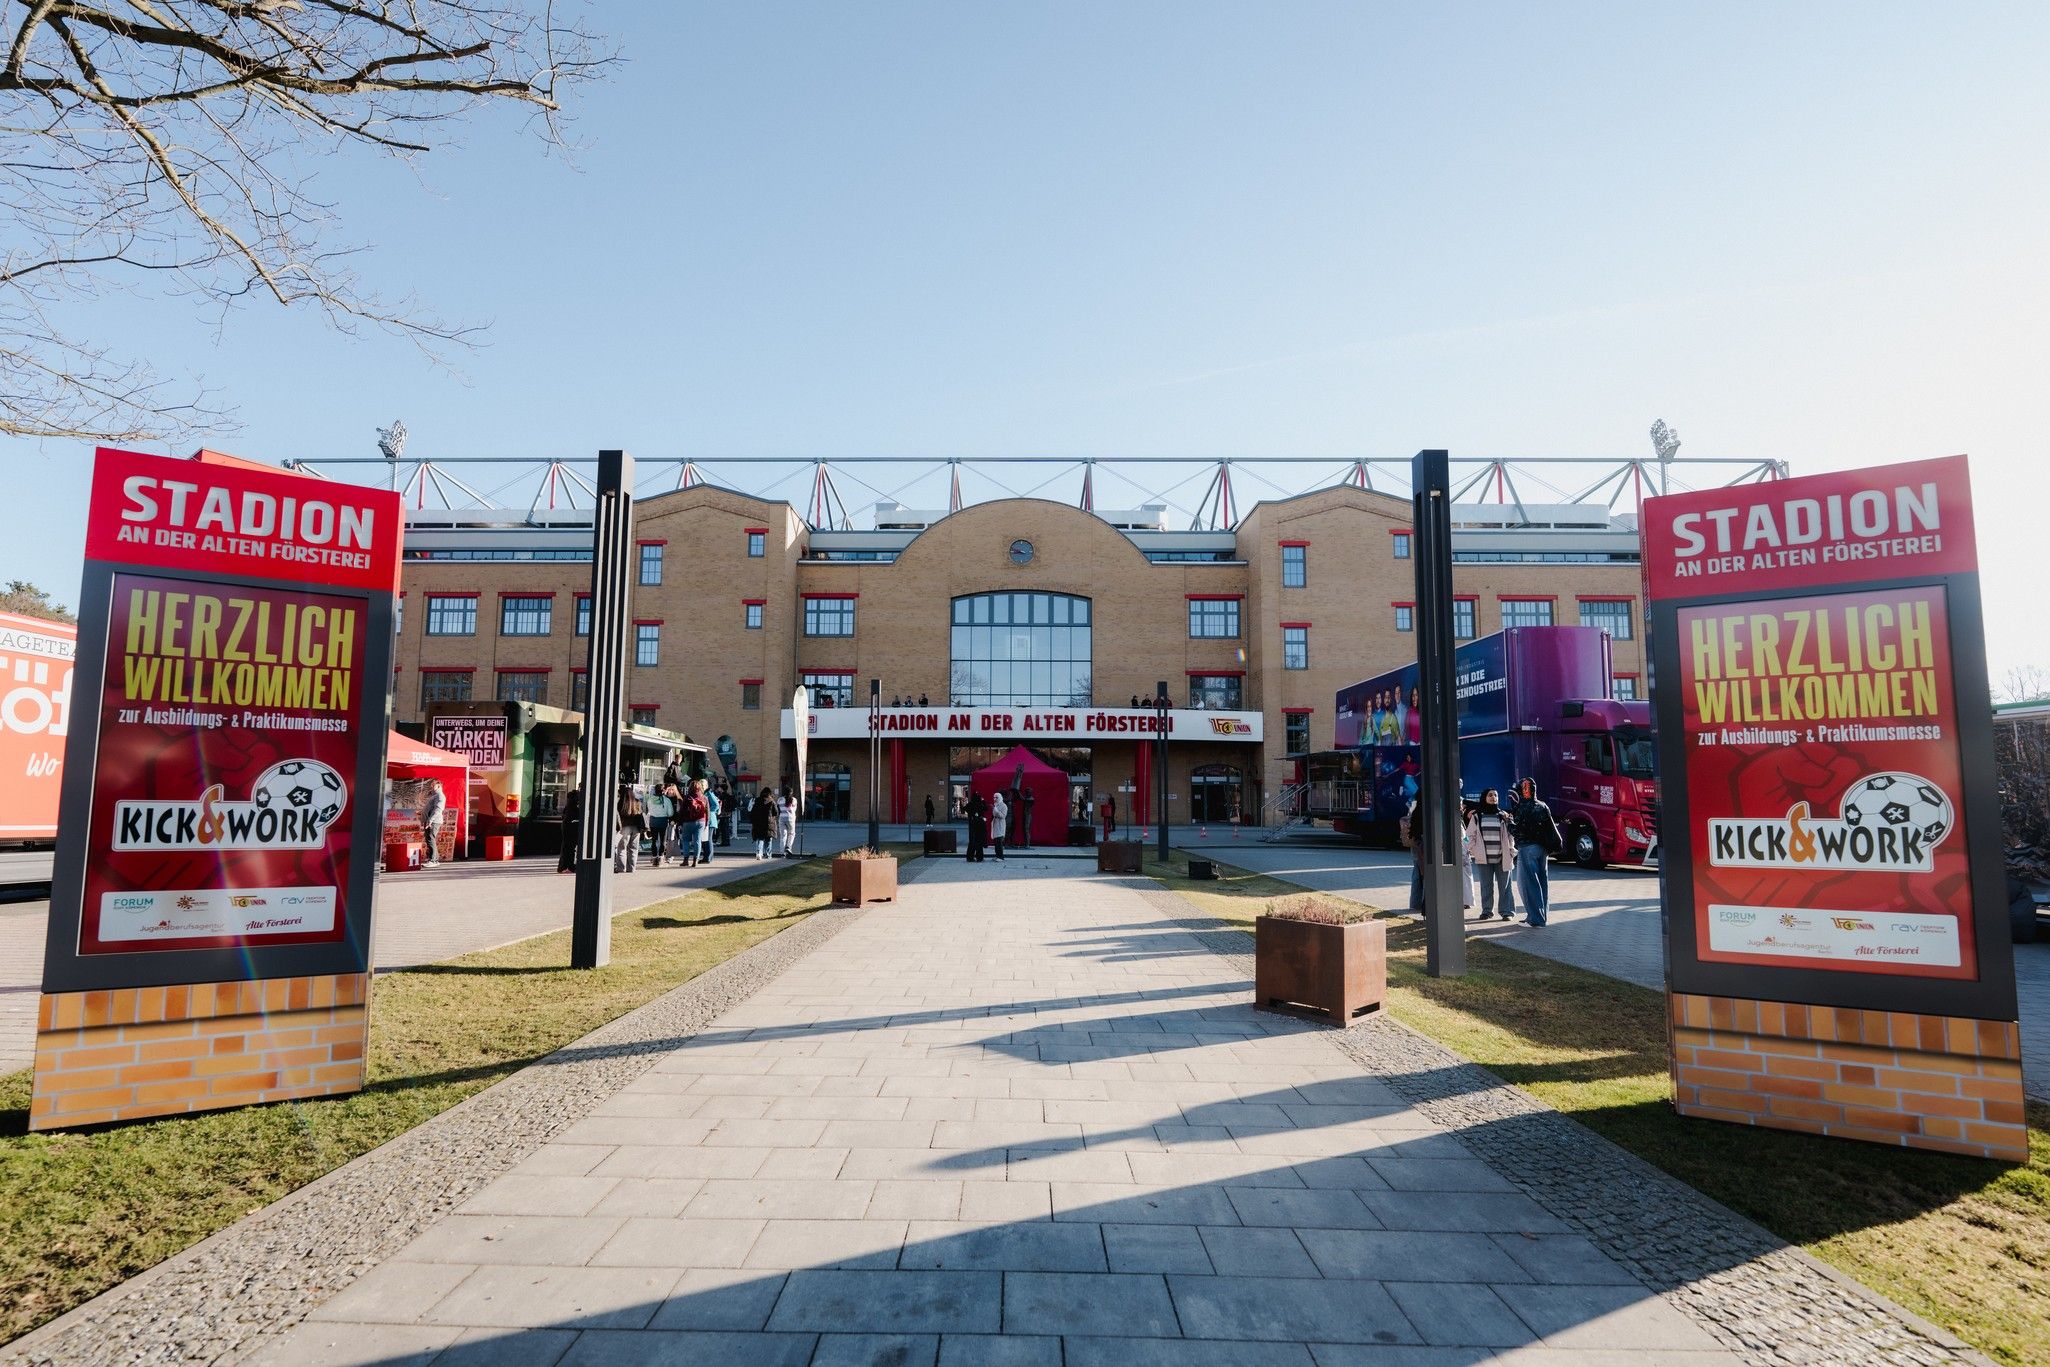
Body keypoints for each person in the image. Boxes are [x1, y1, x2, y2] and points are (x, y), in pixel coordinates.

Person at [1510, 778, 1562, 927]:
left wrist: (1508, 822)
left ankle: (1535, 919)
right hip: (1543, 849)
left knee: (1528, 884)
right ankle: (1542, 916)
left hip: (1527, 848)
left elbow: (1517, 831)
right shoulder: (1542, 805)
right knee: (1542, 882)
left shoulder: (1521, 807)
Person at [1465, 788, 1516, 921]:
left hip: (1502, 857)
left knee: (1505, 886)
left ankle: (1507, 912)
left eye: (1496, 795)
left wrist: (1511, 850)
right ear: (1484, 798)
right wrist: (1474, 850)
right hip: (1484, 859)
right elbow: (1469, 836)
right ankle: (1487, 911)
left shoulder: (1503, 815)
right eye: (1490, 795)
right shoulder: (1477, 816)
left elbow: (1511, 835)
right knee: (1486, 886)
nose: (1493, 797)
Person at [677, 779, 709, 868]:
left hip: (688, 822)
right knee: (697, 841)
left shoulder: (687, 797)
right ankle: (695, 860)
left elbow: (682, 811)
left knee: (686, 841)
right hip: (701, 821)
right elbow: (707, 811)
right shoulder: (704, 798)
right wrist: (706, 822)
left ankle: (686, 860)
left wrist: (680, 823)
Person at [614, 782, 644, 873]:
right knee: (633, 849)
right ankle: (631, 868)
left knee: (622, 849)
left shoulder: (621, 803)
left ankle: (621, 868)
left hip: (624, 828)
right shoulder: (637, 802)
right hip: (636, 828)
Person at [418, 780, 446, 867]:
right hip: (429, 820)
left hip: (433, 821)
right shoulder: (434, 796)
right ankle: (434, 859)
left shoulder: (440, 796)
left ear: (439, 786)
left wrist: (430, 820)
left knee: (430, 839)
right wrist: (422, 813)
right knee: (429, 839)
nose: (431, 787)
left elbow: (438, 809)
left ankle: (433, 860)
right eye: (431, 785)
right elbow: (430, 808)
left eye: (433, 785)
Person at [557, 785, 583, 873]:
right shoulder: (575, 804)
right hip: (572, 827)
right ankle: (567, 866)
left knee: (567, 847)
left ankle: (564, 866)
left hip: (567, 826)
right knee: (570, 848)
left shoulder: (569, 804)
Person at [645, 780, 671, 868]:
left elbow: (649, 810)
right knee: (663, 840)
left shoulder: (650, 799)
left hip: (653, 821)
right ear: (663, 790)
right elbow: (670, 813)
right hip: (663, 821)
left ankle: (654, 858)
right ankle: (660, 858)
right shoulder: (667, 800)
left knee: (654, 840)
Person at [699, 780, 721, 864]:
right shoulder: (703, 793)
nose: (701, 786)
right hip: (706, 819)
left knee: (708, 839)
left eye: (703, 785)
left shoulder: (709, 793)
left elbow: (716, 805)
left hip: (710, 820)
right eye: (700, 785)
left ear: (706, 786)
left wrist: (707, 811)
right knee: (705, 839)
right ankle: (707, 857)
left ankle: (708, 857)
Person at [751, 787, 775, 858]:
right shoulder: (771, 801)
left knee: (760, 838)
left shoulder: (757, 800)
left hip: (759, 822)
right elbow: (776, 812)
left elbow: (753, 811)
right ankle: (768, 854)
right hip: (769, 822)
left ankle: (759, 852)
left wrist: (753, 820)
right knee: (768, 839)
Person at [965, 789, 989, 862]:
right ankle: (979, 857)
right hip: (979, 825)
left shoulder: (970, 804)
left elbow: (965, 808)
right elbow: (986, 808)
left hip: (972, 824)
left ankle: (970, 857)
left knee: (972, 842)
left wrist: (972, 814)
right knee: (979, 841)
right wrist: (983, 801)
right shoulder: (980, 804)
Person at [777, 783, 798, 856]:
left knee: (783, 836)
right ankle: (788, 847)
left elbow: (779, 809)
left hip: (782, 818)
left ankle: (782, 852)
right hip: (791, 818)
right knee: (791, 833)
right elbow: (794, 810)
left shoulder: (780, 799)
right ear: (791, 792)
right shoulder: (794, 800)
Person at [989, 790, 1010, 862]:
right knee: (996, 842)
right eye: (994, 797)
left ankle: (1001, 857)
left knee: (999, 842)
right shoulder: (996, 805)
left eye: (996, 797)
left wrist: (994, 809)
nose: (995, 799)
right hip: (995, 825)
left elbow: (1003, 816)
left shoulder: (1004, 806)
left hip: (1000, 826)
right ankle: (997, 855)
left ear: (1000, 797)